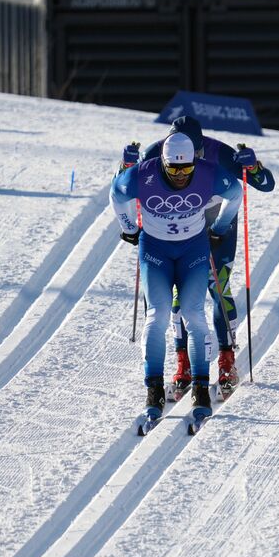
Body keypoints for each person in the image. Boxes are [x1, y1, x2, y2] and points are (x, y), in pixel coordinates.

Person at [123, 116, 273, 400]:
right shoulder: (154, 154)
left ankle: (227, 360)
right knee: (179, 298)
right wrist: (126, 165)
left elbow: (266, 185)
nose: (184, 169)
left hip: (216, 230)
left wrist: (253, 166)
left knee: (219, 289)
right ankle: (184, 364)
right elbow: (122, 187)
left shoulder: (223, 154)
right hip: (175, 234)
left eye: (195, 156)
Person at [111, 133, 243, 430]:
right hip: (155, 251)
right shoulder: (143, 175)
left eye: (187, 169)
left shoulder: (208, 172)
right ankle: (154, 391)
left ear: (195, 162)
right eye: (174, 169)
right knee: (157, 316)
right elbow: (117, 192)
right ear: (163, 163)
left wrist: (220, 226)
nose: (181, 176)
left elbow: (235, 193)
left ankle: (200, 389)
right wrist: (129, 227)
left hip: (193, 250)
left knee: (194, 315)